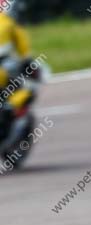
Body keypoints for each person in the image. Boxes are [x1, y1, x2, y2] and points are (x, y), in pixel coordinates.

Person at [0, 1, 34, 137]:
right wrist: (29, 63)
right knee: (23, 89)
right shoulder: (11, 24)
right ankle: (8, 112)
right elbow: (24, 51)